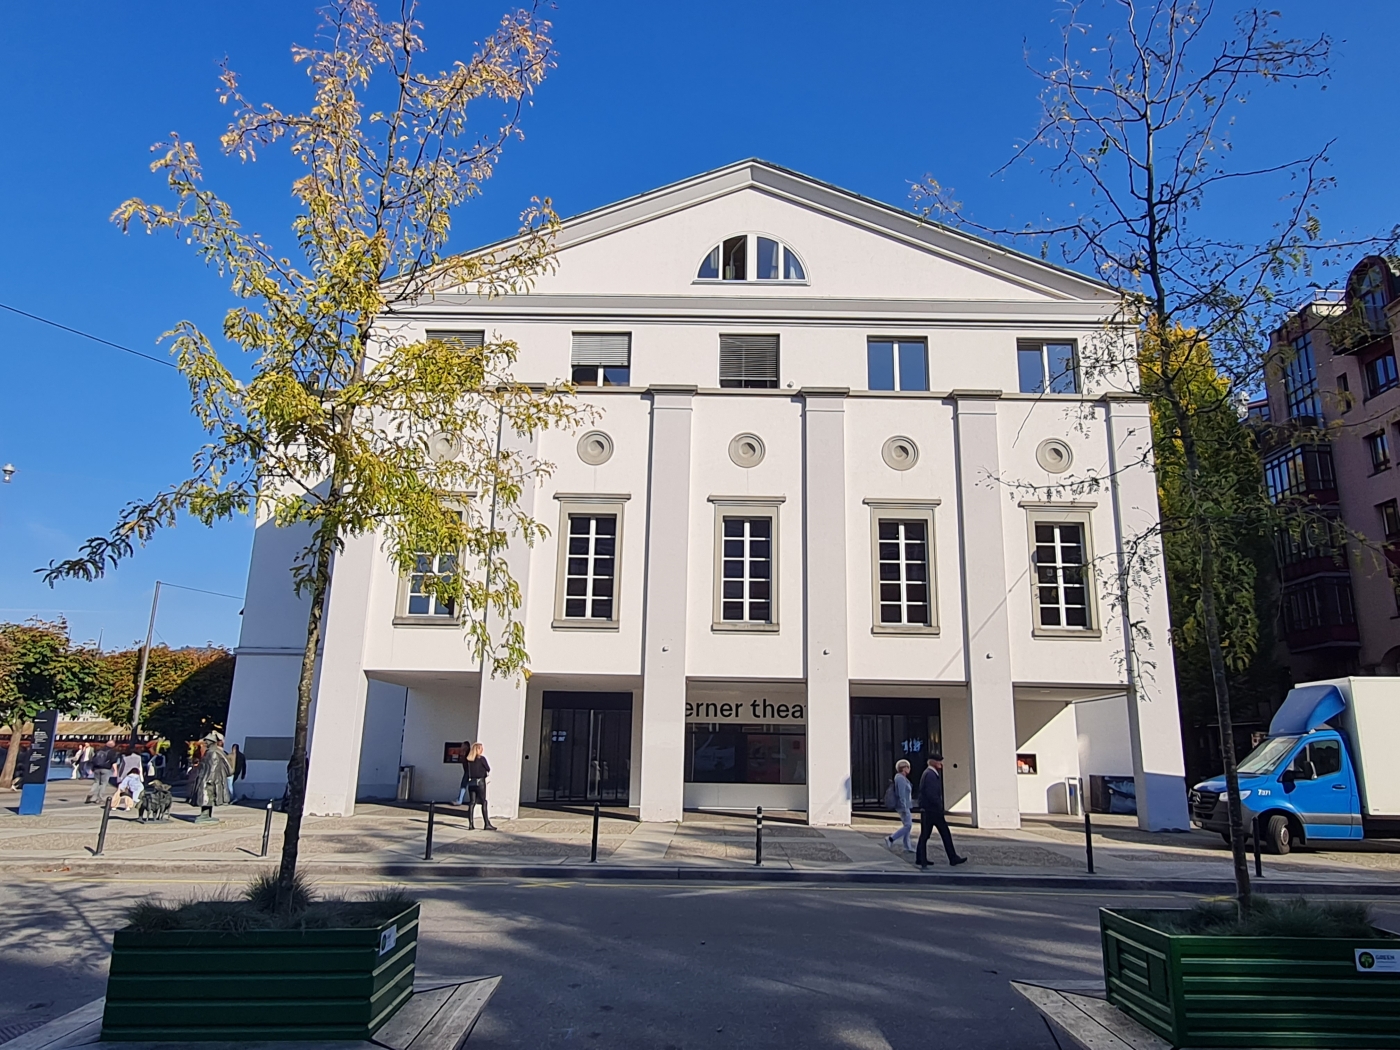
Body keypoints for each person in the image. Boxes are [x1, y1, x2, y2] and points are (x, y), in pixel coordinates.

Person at [915, 753, 967, 869]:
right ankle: (951, 858)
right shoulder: (930, 775)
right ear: (933, 762)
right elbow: (932, 794)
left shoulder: (929, 774)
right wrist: (939, 807)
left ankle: (921, 858)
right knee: (941, 833)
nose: (941, 764)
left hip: (929, 810)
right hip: (932, 811)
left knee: (927, 835)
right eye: (939, 761)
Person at [462, 742, 496, 831]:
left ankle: (471, 824)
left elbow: (466, 770)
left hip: (471, 782)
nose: (482, 750)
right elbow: (488, 768)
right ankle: (486, 823)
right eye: (481, 748)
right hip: (480, 781)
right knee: (483, 801)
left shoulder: (468, 760)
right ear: (478, 750)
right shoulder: (481, 759)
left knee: (472, 802)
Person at [884, 759, 915, 853]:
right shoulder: (900, 778)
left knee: (907, 825)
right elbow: (901, 793)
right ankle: (891, 838)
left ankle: (907, 845)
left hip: (906, 805)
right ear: (904, 768)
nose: (909, 769)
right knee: (908, 825)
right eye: (908, 767)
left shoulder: (902, 778)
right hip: (903, 806)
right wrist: (904, 806)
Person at [455, 742, 474, 806]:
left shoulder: (468, 754)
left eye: (463, 746)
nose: (461, 747)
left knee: (464, 785)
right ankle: (460, 800)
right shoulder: (464, 754)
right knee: (464, 785)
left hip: (468, 772)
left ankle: (460, 800)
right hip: (467, 771)